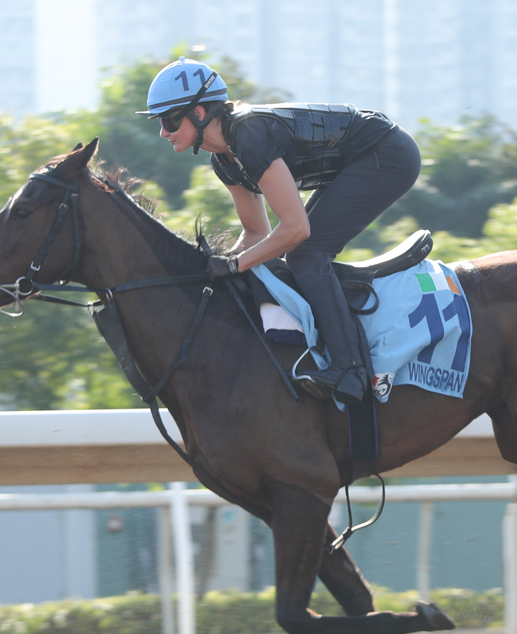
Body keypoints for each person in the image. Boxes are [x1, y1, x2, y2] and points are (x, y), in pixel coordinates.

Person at [137, 57, 422, 404]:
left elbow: (295, 228)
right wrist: (214, 268)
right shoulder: (223, 159)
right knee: (294, 254)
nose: (163, 132)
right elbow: (257, 234)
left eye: (169, 120)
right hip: (361, 157)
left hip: (387, 154)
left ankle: (351, 369)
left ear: (199, 113)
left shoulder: (248, 134)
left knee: (306, 254)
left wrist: (232, 266)